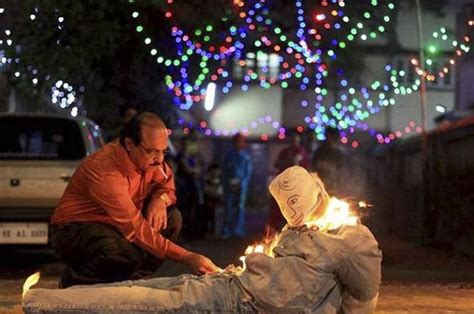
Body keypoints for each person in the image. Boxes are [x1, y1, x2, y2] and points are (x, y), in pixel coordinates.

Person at [24, 166, 382, 313]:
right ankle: (47, 300)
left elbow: (364, 296)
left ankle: (42, 304)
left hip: (241, 302)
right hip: (234, 285)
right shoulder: (301, 231)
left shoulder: (351, 238)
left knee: (150, 301)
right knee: (153, 290)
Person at [49, 112, 219, 288]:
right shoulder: (106, 170)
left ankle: (133, 279)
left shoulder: (151, 161)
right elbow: (135, 228)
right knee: (125, 252)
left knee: (172, 218)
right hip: (74, 230)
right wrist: (188, 257)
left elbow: (167, 185)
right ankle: (74, 281)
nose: (160, 159)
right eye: (152, 151)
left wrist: (159, 200)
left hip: (118, 226)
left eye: (163, 151)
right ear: (130, 144)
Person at [265, 131, 310, 234]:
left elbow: (305, 170)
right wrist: (289, 162)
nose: (294, 139)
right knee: (276, 209)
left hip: (295, 187)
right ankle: (272, 232)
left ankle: (292, 233)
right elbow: (276, 164)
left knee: (293, 211)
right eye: (292, 137)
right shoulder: (285, 151)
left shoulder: (302, 152)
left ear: (299, 139)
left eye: (296, 137)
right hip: (282, 186)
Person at [222, 133, 253, 238]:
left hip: (241, 186)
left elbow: (248, 173)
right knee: (228, 207)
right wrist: (228, 182)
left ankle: (238, 230)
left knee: (240, 207)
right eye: (236, 141)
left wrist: (241, 183)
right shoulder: (229, 156)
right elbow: (224, 171)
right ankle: (227, 230)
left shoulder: (246, 157)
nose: (237, 143)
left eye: (240, 141)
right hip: (229, 184)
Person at [311, 127, 347, 197]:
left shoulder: (338, 153)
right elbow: (313, 167)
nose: (328, 139)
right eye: (327, 136)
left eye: (330, 136)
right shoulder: (320, 151)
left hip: (333, 186)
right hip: (319, 185)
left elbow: (342, 171)